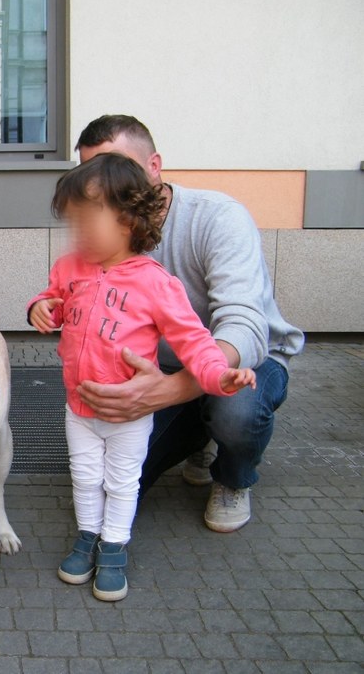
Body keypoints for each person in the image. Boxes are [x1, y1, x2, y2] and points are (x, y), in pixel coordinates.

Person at [28, 153, 256, 601]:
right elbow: (54, 299)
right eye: (73, 222)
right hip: (79, 407)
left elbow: (195, 341)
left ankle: (114, 546)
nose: (79, 233)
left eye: (89, 221)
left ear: (129, 220)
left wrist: (219, 375)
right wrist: (41, 306)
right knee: (84, 475)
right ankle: (87, 536)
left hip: (130, 414)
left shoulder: (157, 283)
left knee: (121, 480)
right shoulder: (70, 267)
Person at [72, 115, 304, 533]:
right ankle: (196, 435)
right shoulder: (101, 233)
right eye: (92, 173)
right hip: (159, 367)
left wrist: (169, 392)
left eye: (118, 167)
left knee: (235, 409)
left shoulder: (217, 218)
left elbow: (245, 326)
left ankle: (233, 476)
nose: (106, 185)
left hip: (245, 363)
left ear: (154, 166)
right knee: (110, 491)